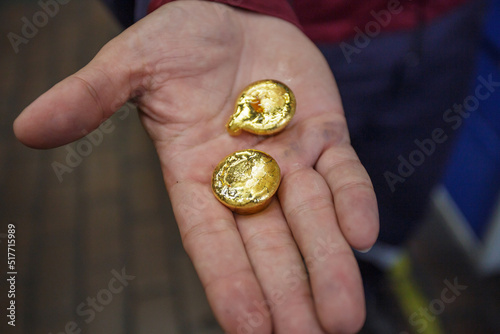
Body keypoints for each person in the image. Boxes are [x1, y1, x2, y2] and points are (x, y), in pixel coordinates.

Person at [13, 0, 483, 333]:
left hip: (451, 32)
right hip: (291, 33)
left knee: (389, 197)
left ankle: (370, 280)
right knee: (318, 212)